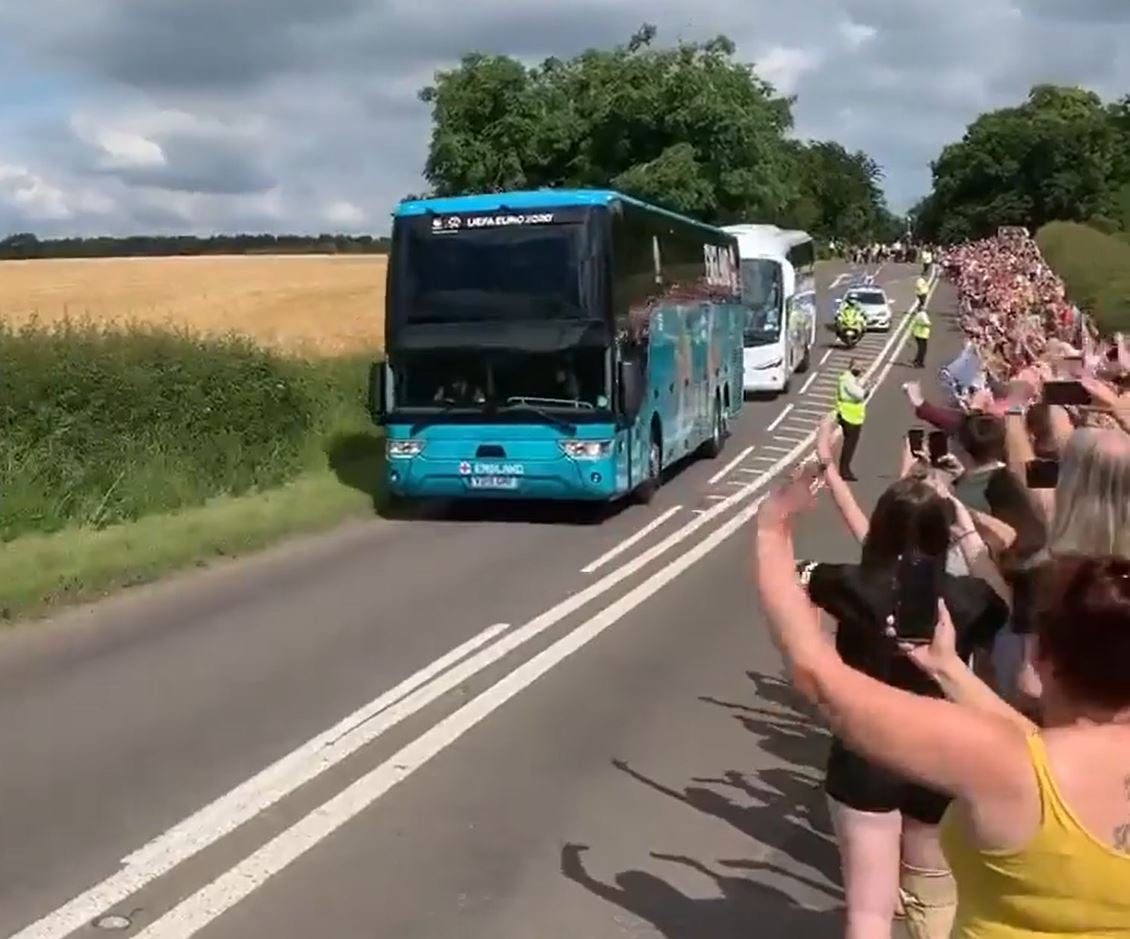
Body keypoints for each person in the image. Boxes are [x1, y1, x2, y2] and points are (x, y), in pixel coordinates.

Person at [754, 470, 1130, 939]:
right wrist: (947, 668)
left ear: (1042, 656)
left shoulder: (1008, 763)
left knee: (870, 914)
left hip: (865, 769)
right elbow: (998, 605)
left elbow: (817, 674)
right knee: (932, 894)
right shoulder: (976, 609)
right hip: (929, 785)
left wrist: (773, 529)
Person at [778, 450, 1008, 939]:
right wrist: (966, 531)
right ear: (941, 535)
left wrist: (814, 642)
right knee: (935, 885)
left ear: (881, 528)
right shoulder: (970, 597)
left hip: (865, 750)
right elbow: (1003, 602)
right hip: (940, 752)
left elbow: (790, 577)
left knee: (869, 912)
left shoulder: (848, 582)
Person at [836, 360, 868, 481]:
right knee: (849, 445)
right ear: (852, 367)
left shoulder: (850, 379)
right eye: (859, 367)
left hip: (853, 416)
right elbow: (860, 394)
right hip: (848, 416)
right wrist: (867, 390)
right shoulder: (847, 380)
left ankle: (845, 469)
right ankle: (844, 471)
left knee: (850, 445)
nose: (860, 370)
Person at [911, 304, 931, 369]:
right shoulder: (922, 315)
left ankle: (917, 360)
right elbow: (926, 322)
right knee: (922, 349)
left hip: (918, 334)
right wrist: (929, 324)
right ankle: (919, 362)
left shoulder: (917, 315)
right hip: (922, 334)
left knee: (921, 349)